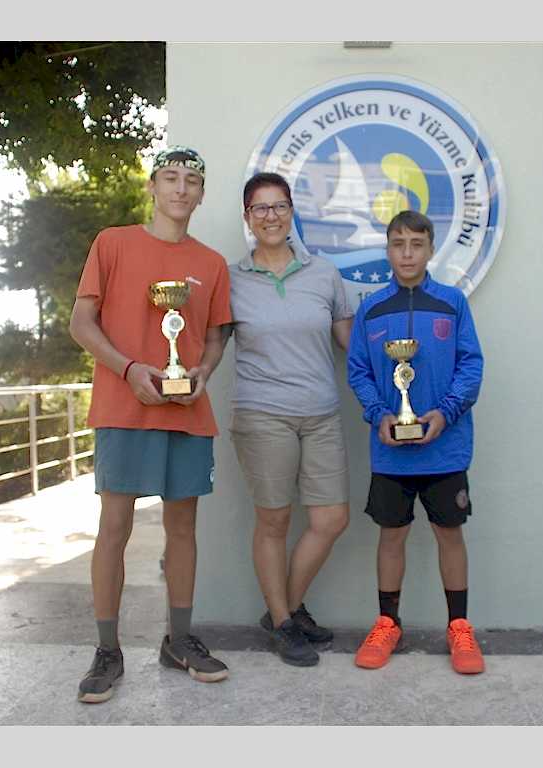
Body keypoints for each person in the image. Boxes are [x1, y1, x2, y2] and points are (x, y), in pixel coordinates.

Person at [69, 146, 233, 703]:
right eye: (170, 178)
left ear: (202, 193)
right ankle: (107, 650)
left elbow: (215, 336)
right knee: (114, 527)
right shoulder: (112, 243)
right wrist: (129, 369)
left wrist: (204, 371)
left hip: (187, 412)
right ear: (153, 187)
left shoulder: (211, 263)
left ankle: (178, 640)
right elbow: (81, 322)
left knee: (183, 528)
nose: (181, 188)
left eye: (192, 180)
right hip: (124, 406)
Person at [346, 209, 486, 675]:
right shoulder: (371, 309)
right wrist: (379, 414)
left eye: (416, 244)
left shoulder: (452, 303)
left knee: (450, 534)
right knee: (391, 535)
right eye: (398, 244)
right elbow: (359, 371)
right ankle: (388, 623)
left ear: (430, 250)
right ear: (387, 250)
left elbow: (471, 364)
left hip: (445, 449)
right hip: (391, 453)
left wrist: (446, 412)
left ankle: (459, 627)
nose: (407, 253)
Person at [229, 172, 353, 666]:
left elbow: (349, 342)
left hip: (321, 414)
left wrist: (400, 372)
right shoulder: (231, 279)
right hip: (263, 414)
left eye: (279, 206)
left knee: (331, 518)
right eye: (260, 208)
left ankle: (284, 608)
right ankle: (284, 622)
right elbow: (210, 342)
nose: (271, 216)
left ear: (292, 213)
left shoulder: (324, 274)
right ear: (247, 217)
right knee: (274, 519)